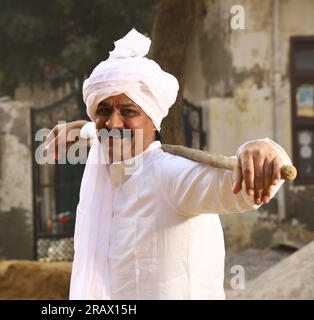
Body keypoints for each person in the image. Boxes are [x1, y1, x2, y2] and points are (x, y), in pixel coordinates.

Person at [45, 29, 292, 299]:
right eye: (103, 110)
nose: (113, 123)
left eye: (129, 112)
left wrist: (264, 152)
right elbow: (103, 132)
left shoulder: (171, 175)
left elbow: (237, 188)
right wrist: (83, 129)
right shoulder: (110, 168)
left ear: (153, 118)